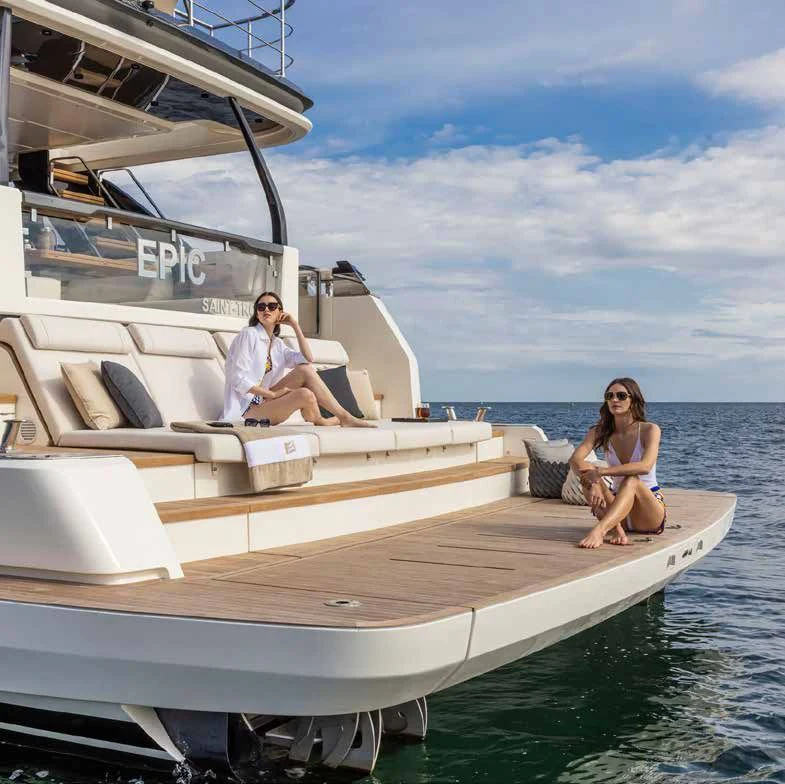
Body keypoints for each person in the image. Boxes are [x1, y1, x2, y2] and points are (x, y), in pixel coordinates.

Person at [222, 291, 374, 427]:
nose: (266, 309)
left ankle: (340, 417)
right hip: (246, 409)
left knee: (304, 370)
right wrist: (273, 395)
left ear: (280, 312)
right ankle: (325, 419)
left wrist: (295, 325)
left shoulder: (277, 344)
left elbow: (308, 359)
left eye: (272, 306)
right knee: (305, 394)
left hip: (263, 401)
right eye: (261, 307)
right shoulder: (249, 335)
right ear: (257, 314)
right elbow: (238, 379)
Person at [569, 377, 666, 549]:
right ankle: (615, 529)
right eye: (610, 396)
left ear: (633, 399)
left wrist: (601, 473)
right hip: (616, 511)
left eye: (621, 396)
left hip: (647, 513)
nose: (614, 400)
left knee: (631, 480)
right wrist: (595, 483)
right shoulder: (599, 431)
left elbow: (645, 466)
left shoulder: (649, 429)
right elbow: (575, 460)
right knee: (585, 477)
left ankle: (600, 530)